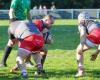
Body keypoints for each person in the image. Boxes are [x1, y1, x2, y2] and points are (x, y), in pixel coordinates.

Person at [0, 0, 32, 67]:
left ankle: (26, 61)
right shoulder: (16, 0)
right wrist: (13, 23)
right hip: (16, 23)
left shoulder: (28, 1)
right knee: (12, 42)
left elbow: (28, 12)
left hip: (23, 23)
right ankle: (3, 62)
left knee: (26, 40)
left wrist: (31, 23)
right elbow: (11, 11)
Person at [75, 12, 100, 77]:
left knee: (79, 51)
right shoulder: (95, 21)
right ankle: (96, 53)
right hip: (97, 33)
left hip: (96, 34)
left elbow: (83, 33)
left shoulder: (82, 22)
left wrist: (81, 44)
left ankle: (81, 72)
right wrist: (97, 52)